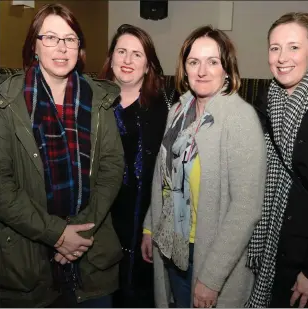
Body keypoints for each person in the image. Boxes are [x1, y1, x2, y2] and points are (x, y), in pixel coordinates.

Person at [0, 4, 124, 308]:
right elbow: (1, 186)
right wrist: (56, 234)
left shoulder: (99, 98)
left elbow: (112, 168)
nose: (62, 47)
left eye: (70, 39)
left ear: (79, 47)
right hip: (26, 265)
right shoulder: (6, 101)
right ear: (34, 45)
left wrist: (79, 232)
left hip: (92, 259)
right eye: (51, 38)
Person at [141, 25, 267, 308]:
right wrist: (151, 226)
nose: (202, 71)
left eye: (213, 62)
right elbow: (164, 177)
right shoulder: (179, 111)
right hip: (174, 245)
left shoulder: (240, 118)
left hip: (211, 256)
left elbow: (246, 209)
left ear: (227, 69)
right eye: (193, 62)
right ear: (184, 68)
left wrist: (211, 278)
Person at [245, 12, 308, 308]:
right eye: (275, 48)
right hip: (276, 248)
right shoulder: (266, 102)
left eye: (294, 47)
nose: (282, 57)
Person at [99, 24, 176, 307]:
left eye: (137, 54)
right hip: (101, 218)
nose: (128, 60)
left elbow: (170, 176)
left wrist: (152, 226)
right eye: (122, 52)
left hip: (145, 221)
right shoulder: (94, 103)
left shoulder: (165, 109)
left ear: (148, 66)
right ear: (111, 59)